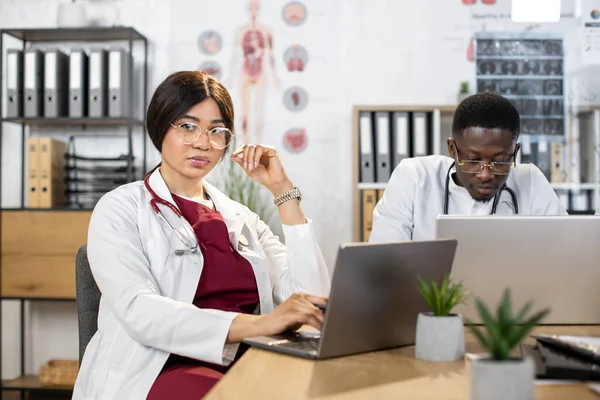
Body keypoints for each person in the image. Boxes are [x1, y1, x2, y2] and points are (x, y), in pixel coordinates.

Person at [72, 71, 330, 400]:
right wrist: (260, 325)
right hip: (158, 367)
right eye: (187, 126)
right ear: (160, 126)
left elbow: (313, 301)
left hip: (247, 361)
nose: (202, 143)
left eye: (216, 131)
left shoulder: (241, 217)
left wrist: (282, 190)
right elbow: (142, 313)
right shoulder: (120, 208)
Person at [369, 92, 567, 243]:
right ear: (452, 149)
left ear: (514, 153)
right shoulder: (414, 177)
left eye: (499, 161)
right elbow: (384, 262)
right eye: (473, 160)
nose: (485, 174)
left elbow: (567, 250)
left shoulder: (531, 181)